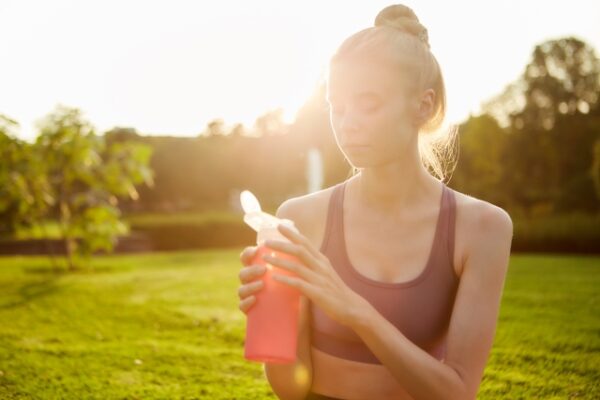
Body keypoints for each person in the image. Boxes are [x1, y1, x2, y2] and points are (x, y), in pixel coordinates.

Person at [238, 4, 513, 399]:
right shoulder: (299, 217)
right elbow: (290, 389)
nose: (347, 123)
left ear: (424, 105)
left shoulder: (483, 228)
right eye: (337, 106)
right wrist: (274, 318)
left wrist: (355, 309)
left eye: (368, 104)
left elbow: (456, 393)